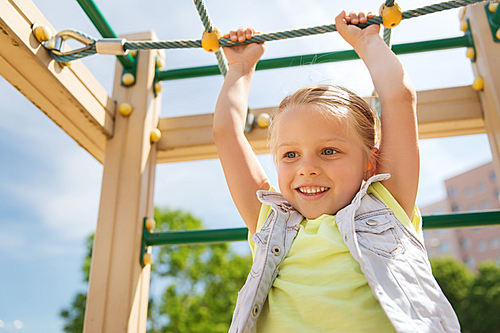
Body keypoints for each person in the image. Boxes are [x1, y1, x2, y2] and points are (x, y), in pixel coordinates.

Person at [213, 10, 460, 333]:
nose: (307, 168)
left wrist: (369, 41)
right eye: (290, 154)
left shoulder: (386, 205)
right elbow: (226, 134)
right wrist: (240, 68)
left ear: (370, 161)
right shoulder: (271, 223)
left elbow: (399, 98)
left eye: (329, 151)